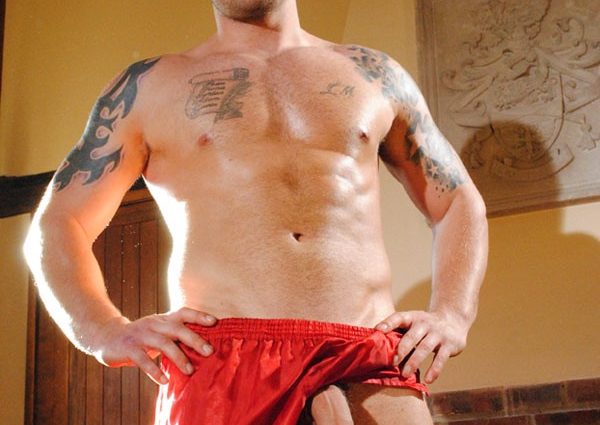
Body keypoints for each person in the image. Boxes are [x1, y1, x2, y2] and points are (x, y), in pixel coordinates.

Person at [23, 1, 488, 424]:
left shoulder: (373, 74)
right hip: (219, 361)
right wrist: (102, 330)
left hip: (365, 352)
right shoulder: (147, 87)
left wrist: (453, 313)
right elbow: (60, 221)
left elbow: (457, 200)